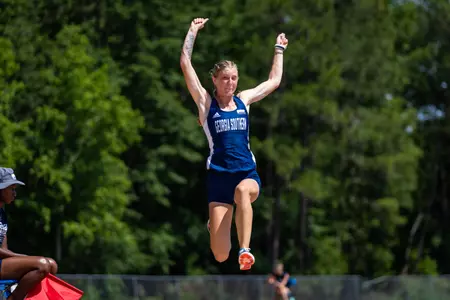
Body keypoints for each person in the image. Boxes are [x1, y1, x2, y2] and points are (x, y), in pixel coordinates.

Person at [180, 17, 288, 271]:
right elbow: (185, 64)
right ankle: (215, 227)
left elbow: (273, 81)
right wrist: (192, 31)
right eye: (225, 78)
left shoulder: (244, 101)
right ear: (215, 80)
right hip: (218, 178)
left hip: (246, 174)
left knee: (242, 192)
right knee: (219, 254)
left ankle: (245, 250)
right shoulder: (207, 105)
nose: (230, 83)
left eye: (234, 78)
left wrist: (279, 50)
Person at [0, 167, 58, 300]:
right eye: (11, 188)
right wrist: (24, 257)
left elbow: (4, 250)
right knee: (42, 264)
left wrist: (24, 259)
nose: (15, 193)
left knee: (51, 264)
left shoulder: (2, 214)